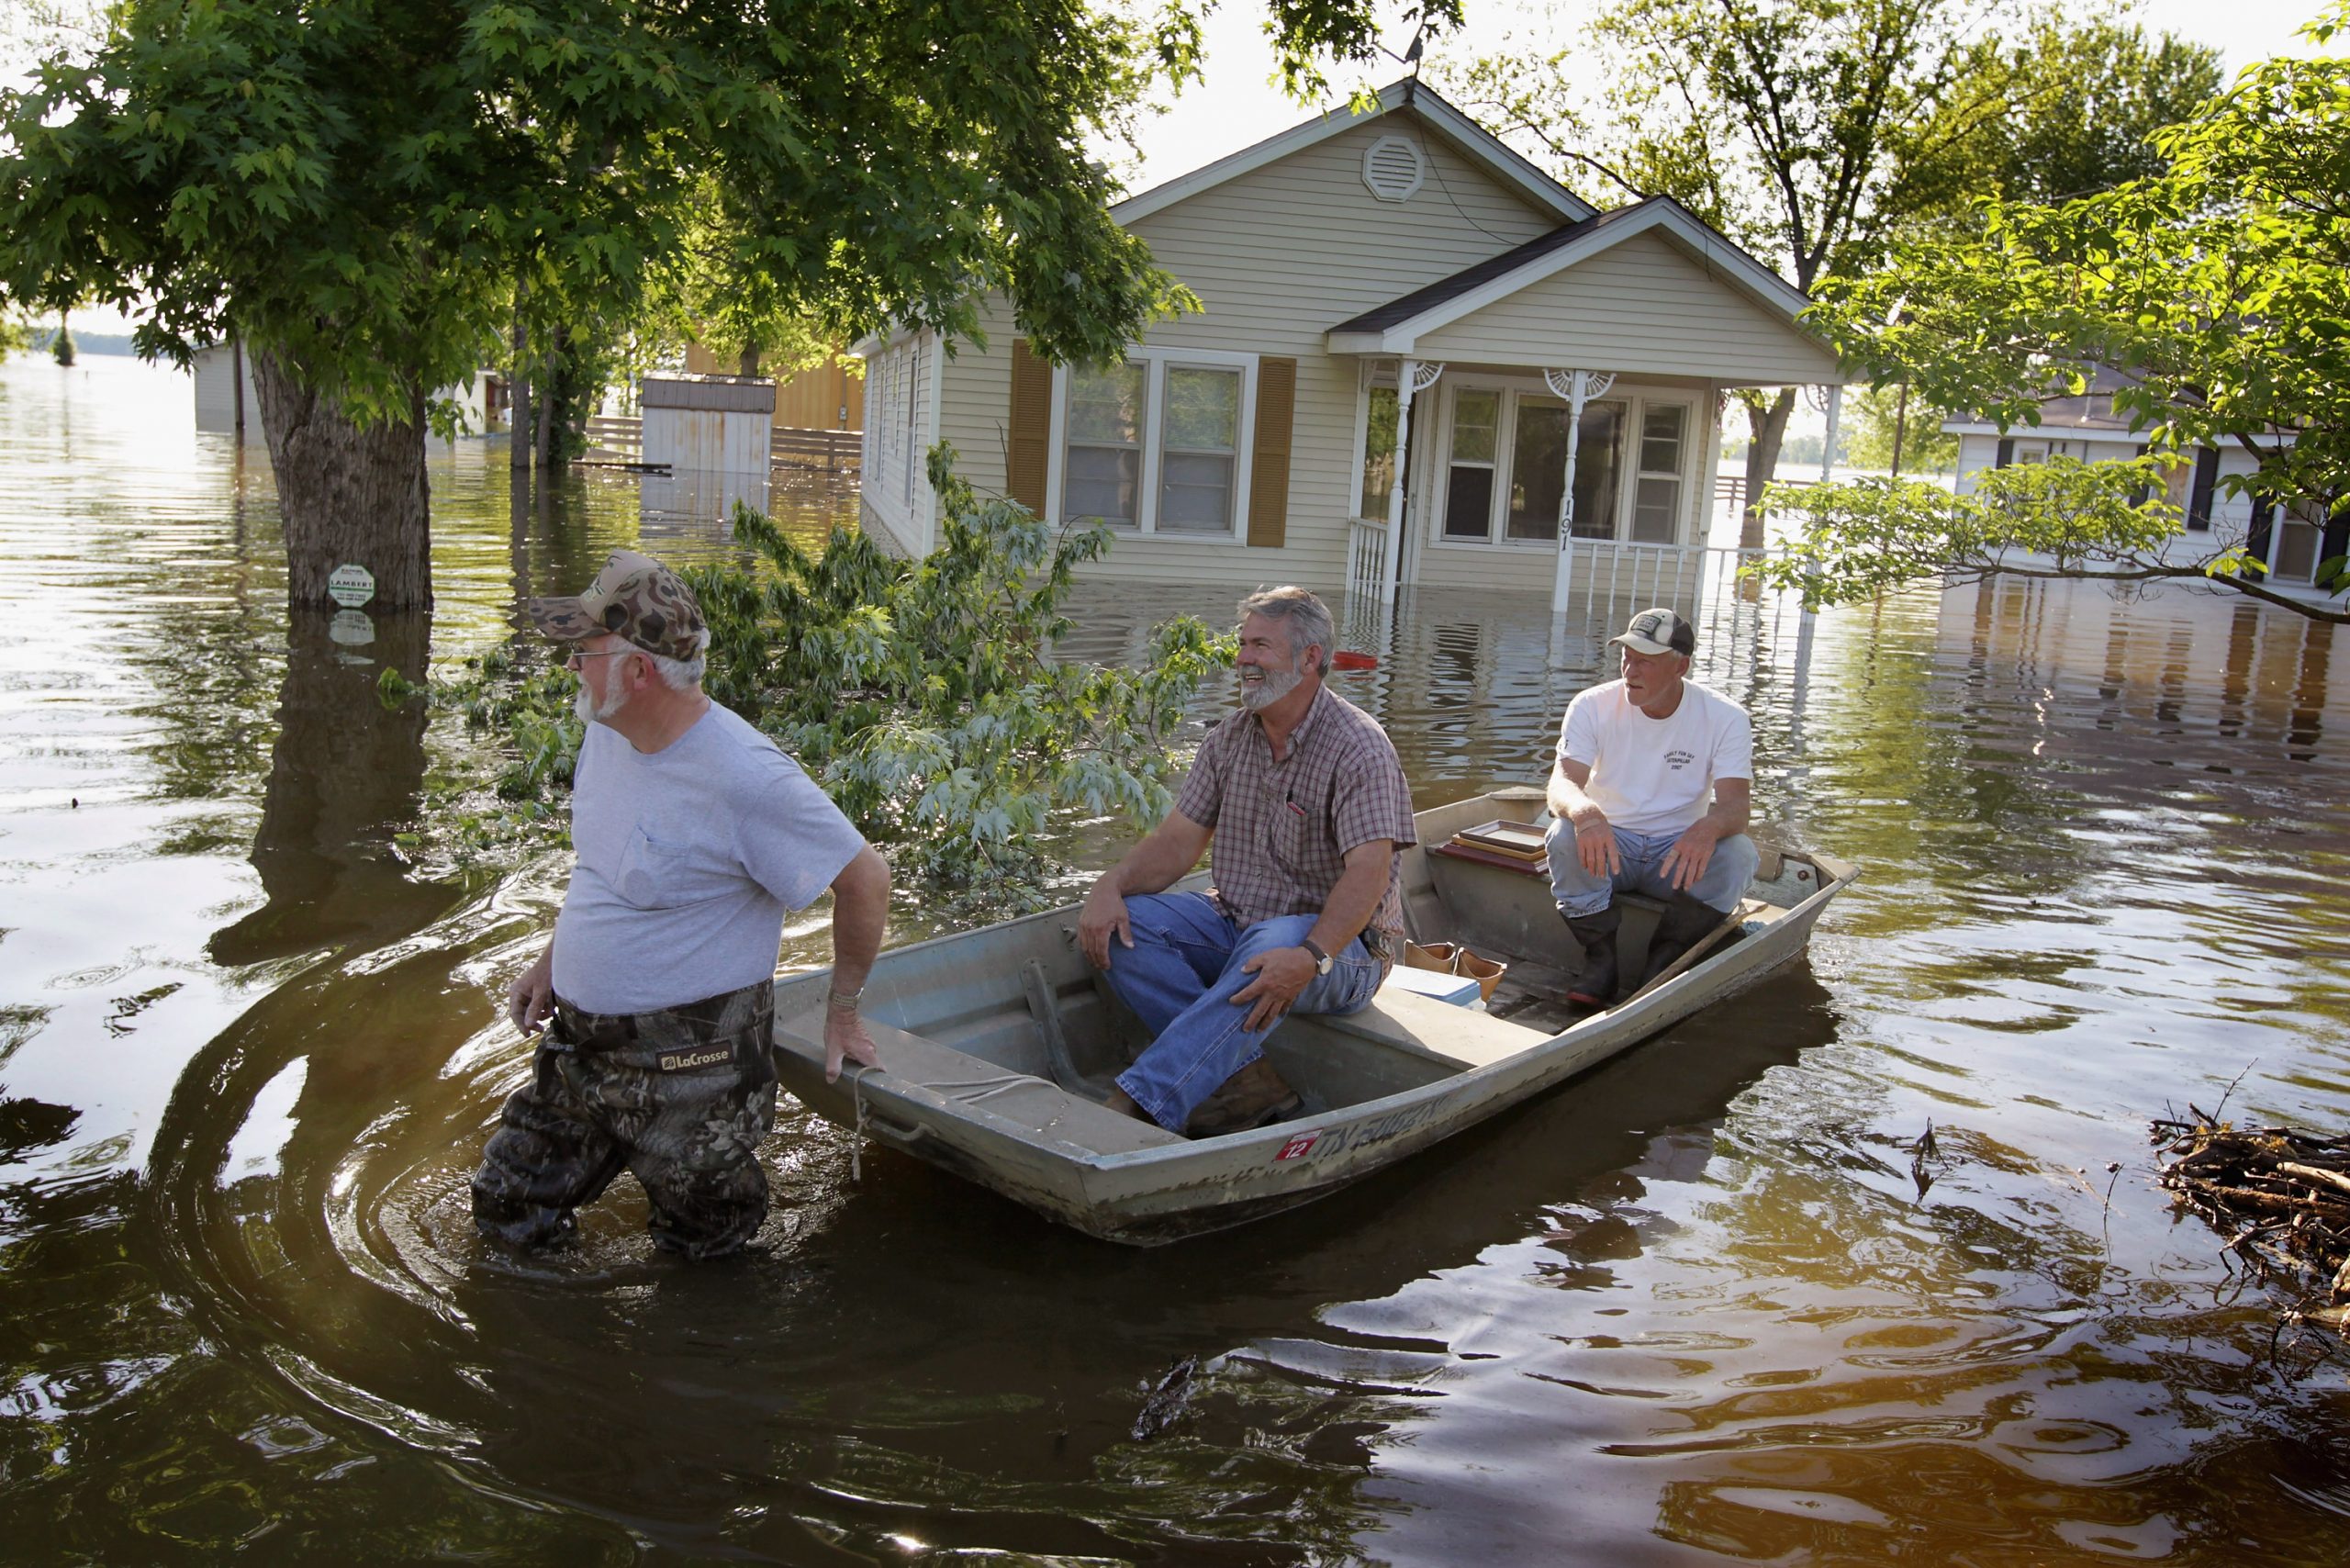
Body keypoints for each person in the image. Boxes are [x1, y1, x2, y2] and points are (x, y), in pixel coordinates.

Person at [471, 549, 891, 1259]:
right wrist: (554, 961)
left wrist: (842, 1010)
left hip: (693, 1068)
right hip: (585, 1046)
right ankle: (556, 1356)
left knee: (709, 1250)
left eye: (585, 648)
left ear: (638, 670)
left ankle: (705, 1360)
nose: (571, 663)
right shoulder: (609, 729)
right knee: (509, 1203)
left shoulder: (745, 776)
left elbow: (866, 879)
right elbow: (604, 865)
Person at [1078, 587, 1416, 1137]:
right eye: (1242, 645)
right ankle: (1246, 1079)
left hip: (1343, 954)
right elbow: (1175, 846)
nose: (1242, 660)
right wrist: (1108, 885)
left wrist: (1310, 955)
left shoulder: (1360, 747)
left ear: (1310, 658)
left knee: (1272, 943)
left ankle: (1139, 1099)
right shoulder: (1229, 738)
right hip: (1241, 926)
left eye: (1260, 646)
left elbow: (1369, 876)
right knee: (1123, 928)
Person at [1543, 606, 1758, 1008]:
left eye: (1645, 661)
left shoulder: (1727, 718)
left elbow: (1736, 808)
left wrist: (1707, 829)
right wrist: (1586, 812)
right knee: (1564, 831)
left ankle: (1664, 961)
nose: (1630, 670)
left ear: (1681, 667)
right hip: (1609, 848)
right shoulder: (1591, 704)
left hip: (1675, 857)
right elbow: (1562, 783)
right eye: (1627, 656)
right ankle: (1601, 960)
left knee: (1739, 854)